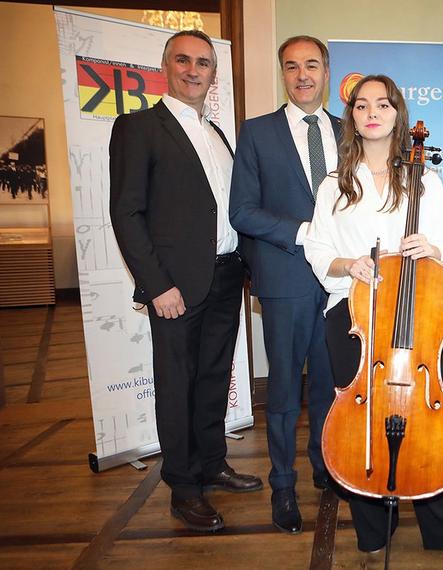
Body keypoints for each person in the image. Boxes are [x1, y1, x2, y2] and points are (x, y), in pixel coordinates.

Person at [304, 74, 443, 564]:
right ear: (352, 117)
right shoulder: (334, 184)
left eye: (382, 105)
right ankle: (373, 525)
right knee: (361, 421)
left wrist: (431, 247)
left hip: (418, 318)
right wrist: (350, 264)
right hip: (354, 314)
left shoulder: (424, 179)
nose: (372, 113)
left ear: (397, 114)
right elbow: (317, 249)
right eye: (362, 105)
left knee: (431, 418)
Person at [109, 30, 263, 533]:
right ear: (165, 66)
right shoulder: (138, 127)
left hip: (226, 276)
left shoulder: (217, 133)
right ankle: (183, 486)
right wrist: (156, 285)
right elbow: (126, 213)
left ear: (213, 73)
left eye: (203, 63)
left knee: (215, 378)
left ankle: (212, 464)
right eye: (184, 60)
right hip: (175, 287)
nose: (194, 70)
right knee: (177, 386)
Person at [229, 36, 339, 534]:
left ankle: (324, 466)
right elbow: (242, 211)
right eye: (292, 67)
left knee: (331, 386)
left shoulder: (350, 131)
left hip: (340, 283)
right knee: (284, 392)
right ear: (282, 74)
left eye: (311, 65)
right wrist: (304, 232)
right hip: (285, 276)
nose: (302, 75)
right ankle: (282, 485)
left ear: (326, 72)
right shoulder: (256, 133)